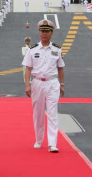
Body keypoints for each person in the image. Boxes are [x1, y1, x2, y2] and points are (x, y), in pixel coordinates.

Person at [22, 20, 65, 153]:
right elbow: (28, 69)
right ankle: (39, 139)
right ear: (39, 32)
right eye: (42, 31)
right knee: (38, 113)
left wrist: (62, 84)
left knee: (52, 113)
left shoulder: (57, 49)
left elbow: (60, 68)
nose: (44, 34)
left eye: (47, 31)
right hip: (37, 82)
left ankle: (52, 143)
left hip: (52, 83)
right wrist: (27, 85)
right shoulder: (33, 49)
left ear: (51, 33)